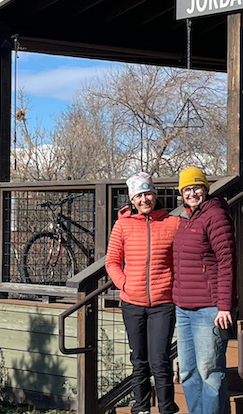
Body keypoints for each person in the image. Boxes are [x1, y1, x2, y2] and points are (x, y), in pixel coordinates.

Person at [106, 172, 180, 414]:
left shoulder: (172, 223)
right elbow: (112, 262)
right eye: (139, 195)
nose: (144, 199)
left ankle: (167, 409)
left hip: (163, 304)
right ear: (132, 199)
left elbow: (181, 260)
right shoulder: (122, 225)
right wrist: (124, 284)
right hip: (132, 303)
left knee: (160, 361)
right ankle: (141, 408)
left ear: (155, 195)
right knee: (139, 361)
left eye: (148, 193)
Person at [173, 166, 237, 414]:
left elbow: (226, 262)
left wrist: (224, 306)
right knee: (188, 372)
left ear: (206, 189)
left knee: (210, 372)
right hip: (183, 307)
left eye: (197, 187)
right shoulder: (185, 218)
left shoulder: (215, 215)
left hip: (209, 309)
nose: (192, 193)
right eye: (187, 189)